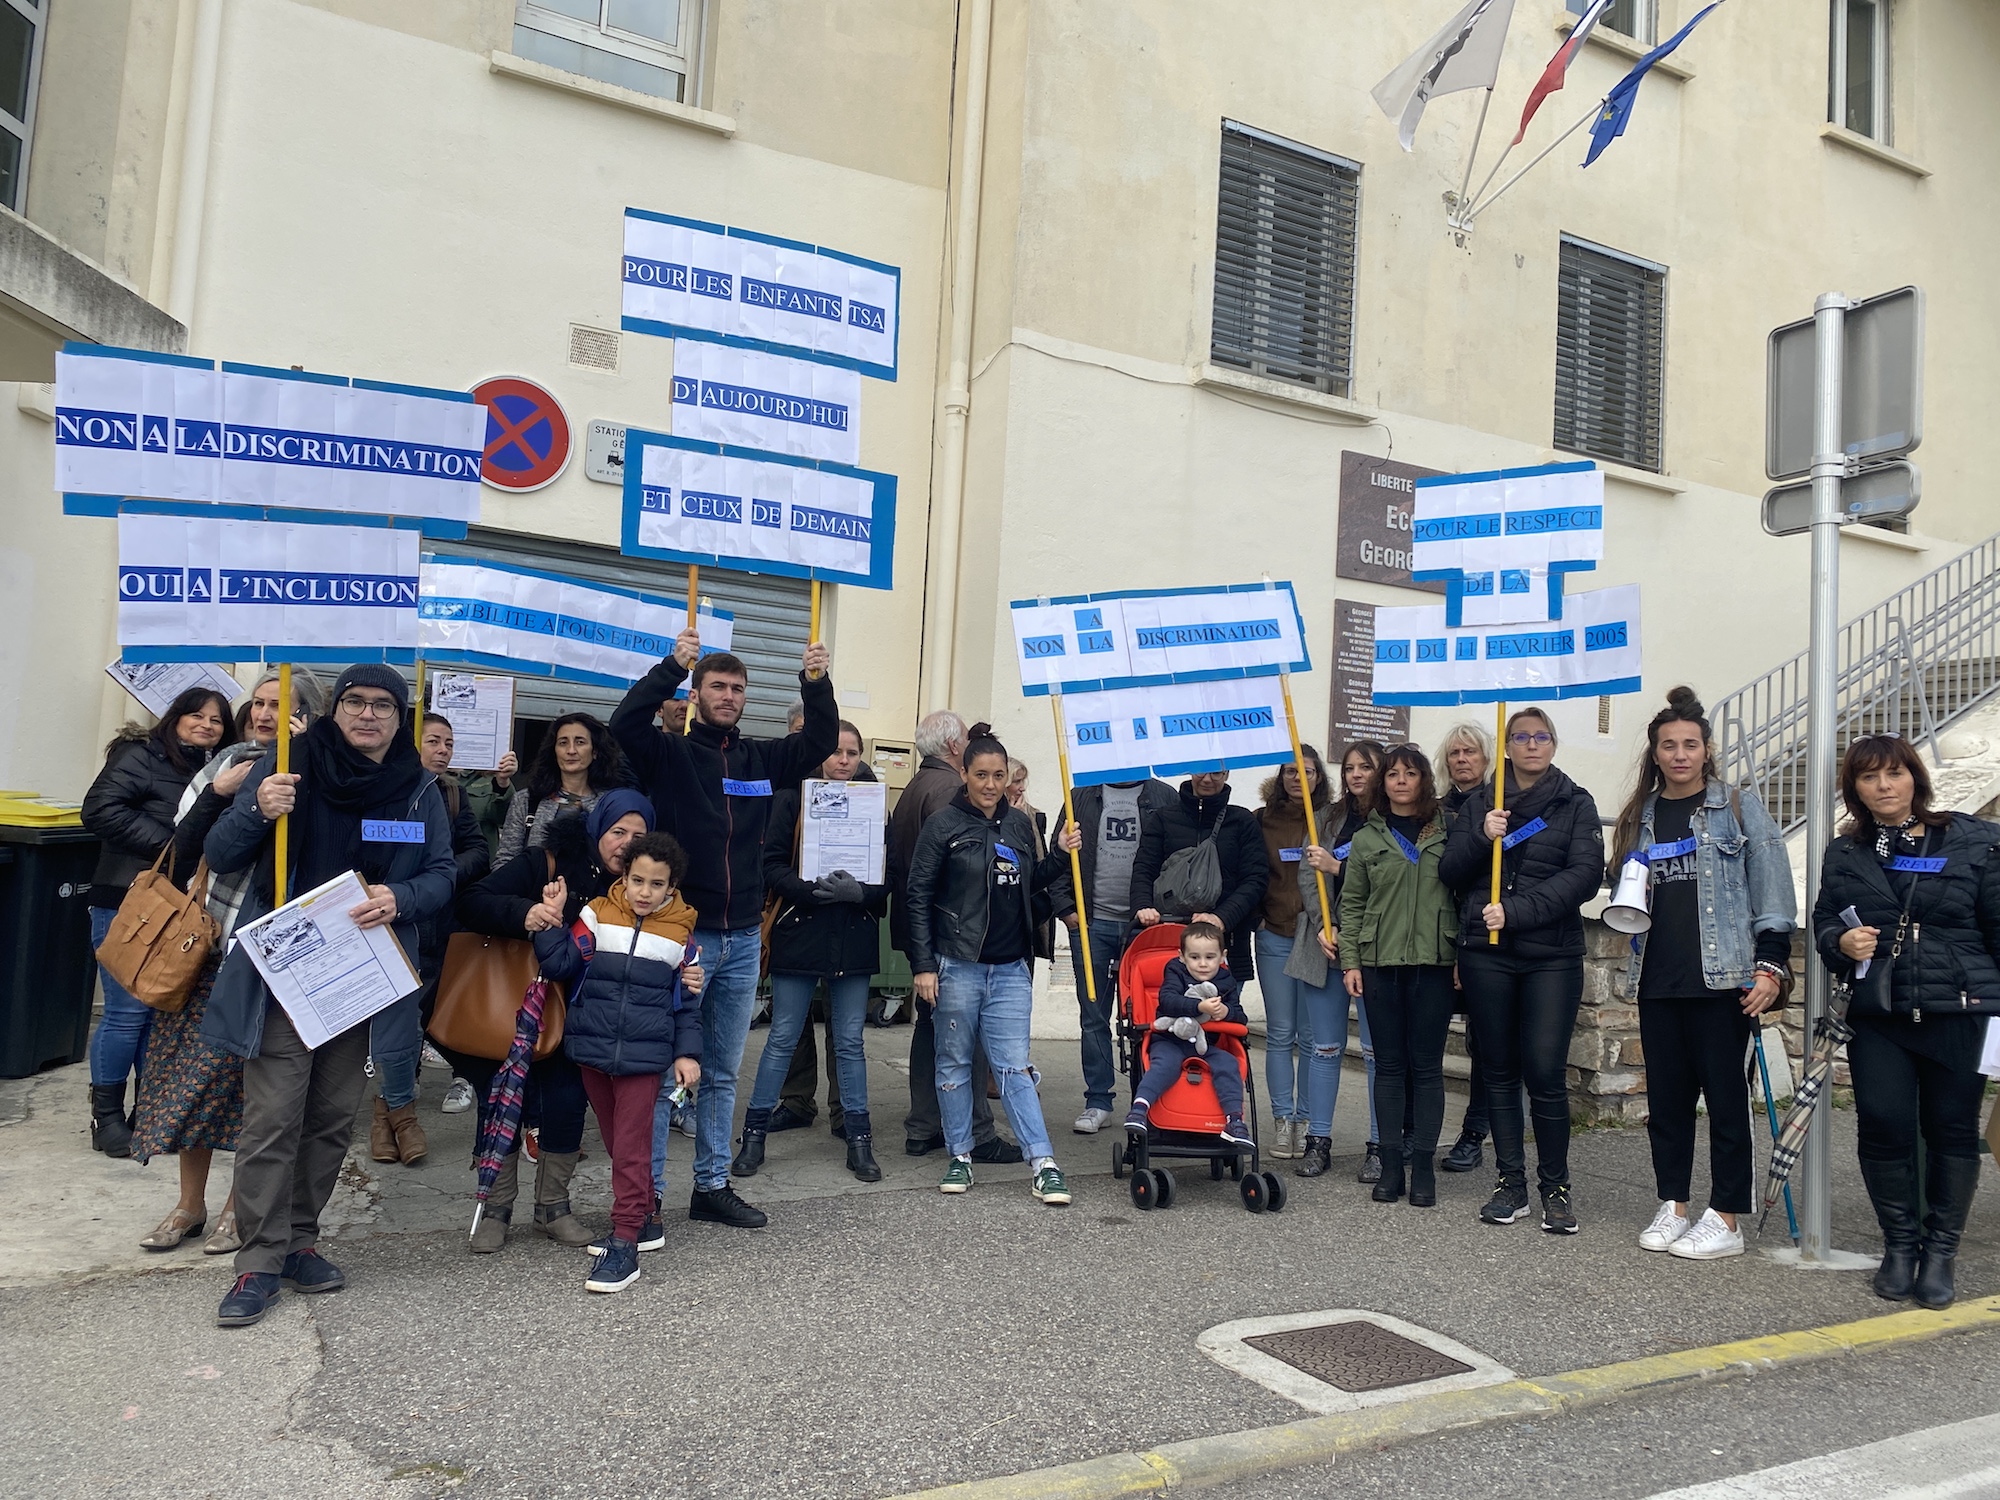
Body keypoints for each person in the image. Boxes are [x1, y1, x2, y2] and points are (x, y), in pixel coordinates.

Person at [202, 666, 457, 1328]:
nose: (367, 715)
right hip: (287, 972)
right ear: (334, 709)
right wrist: (259, 810)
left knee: (329, 1117)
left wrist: (400, 897)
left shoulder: (416, 788)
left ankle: (299, 1242)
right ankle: (257, 1262)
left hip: (358, 977)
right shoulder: (287, 767)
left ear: (401, 720)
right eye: (354, 702)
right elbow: (221, 852)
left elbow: (441, 874)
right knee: (273, 1118)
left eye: (382, 706)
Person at [611, 626, 837, 1231]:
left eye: (738, 688)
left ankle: (711, 1185)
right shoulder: (671, 753)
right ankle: (647, 1197)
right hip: (687, 938)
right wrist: (669, 668)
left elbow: (819, 737)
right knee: (665, 1073)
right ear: (699, 691)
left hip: (741, 939)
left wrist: (815, 683)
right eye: (718, 685)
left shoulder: (761, 757)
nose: (729, 696)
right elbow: (624, 723)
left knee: (720, 1071)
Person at [129, 668, 325, 1254]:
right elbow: (183, 849)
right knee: (186, 1082)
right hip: (205, 945)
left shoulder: (318, 770)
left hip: (272, 953)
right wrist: (220, 795)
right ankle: (190, 1204)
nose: (265, 714)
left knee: (251, 1091)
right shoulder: (223, 765)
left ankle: (244, 1207)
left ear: (308, 716)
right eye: (259, 703)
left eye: (281, 705)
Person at [1609, 688, 1795, 1263]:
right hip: (1658, 978)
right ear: (1655, 753)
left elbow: (1773, 890)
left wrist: (1771, 965)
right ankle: (1674, 1204)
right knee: (1666, 1102)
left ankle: (1727, 1215)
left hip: (1725, 979)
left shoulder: (1735, 807)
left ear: (1706, 750)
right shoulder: (1642, 816)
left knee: (1725, 1100)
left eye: (1690, 744)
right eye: (1669, 745)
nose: (1680, 754)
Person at [1814, 735, 1999, 1309]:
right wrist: (1840, 941)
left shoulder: (1973, 839)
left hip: (1959, 1011)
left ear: (1914, 778)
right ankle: (1900, 1245)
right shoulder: (1846, 854)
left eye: (1894, 773)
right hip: (1881, 1013)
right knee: (1884, 1126)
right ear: (1856, 790)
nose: (1884, 786)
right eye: (1870, 778)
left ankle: (1941, 1251)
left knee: (1951, 1131)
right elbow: (1823, 921)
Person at [452, 790, 657, 1253]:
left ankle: (553, 1208)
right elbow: (471, 901)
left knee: (567, 1102)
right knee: (501, 1099)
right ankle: (496, 1208)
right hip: (517, 1005)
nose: (625, 843)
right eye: (617, 831)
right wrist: (527, 914)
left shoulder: (641, 886)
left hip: (586, 1015)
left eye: (637, 835)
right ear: (596, 829)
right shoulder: (544, 862)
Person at [1439, 707, 1605, 1236]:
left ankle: (1555, 1188)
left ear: (1553, 744)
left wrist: (1517, 912)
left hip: (1550, 954)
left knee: (1545, 1072)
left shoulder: (1575, 802)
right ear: (1507, 745)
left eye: (1542, 736)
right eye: (1521, 736)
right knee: (1500, 1069)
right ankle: (1510, 1183)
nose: (1532, 744)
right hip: (1486, 954)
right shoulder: (1483, 802)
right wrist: (1480, 837)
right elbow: (1450, 871)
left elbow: (1583, 875)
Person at [904, 725, 1082, 1204]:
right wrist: (923, 965)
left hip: (1009, 968)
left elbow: (1029, 885)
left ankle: (1043, 1162)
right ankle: (960, 1156)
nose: (989, 783)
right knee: (954, 1064)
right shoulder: (943, 824)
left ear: (1008, 779)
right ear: (964, 773)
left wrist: (1061, 857)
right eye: (980, 774)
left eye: (998, 775)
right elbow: (917, 895)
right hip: (956, 964)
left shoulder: (1021, 825)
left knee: (1013, 1068)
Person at [535, 831, 705, 1294]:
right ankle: (647, 1217)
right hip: (591, 1051)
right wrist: (550, 922)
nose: (645, 892)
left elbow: (686, 1004)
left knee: (630, 1149)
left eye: (657, 884)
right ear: (624, 877)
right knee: (616, 1143)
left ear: (672, 887)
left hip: (645, 1058)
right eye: (637, 880)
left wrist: (687, 1054)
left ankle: (625, 1240)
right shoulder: (595, 913)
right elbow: (561, 965)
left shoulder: (681, 935)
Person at [80, 685, 238, 1157]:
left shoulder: (214, 769)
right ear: (175, 716)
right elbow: (100, 809)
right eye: (197, 715)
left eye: (215, 719)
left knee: (158, 1010)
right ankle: (105, 1116)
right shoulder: (141, 753)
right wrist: (169, 850)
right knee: (127, 1014)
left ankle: (144, 1113)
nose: (206, 724)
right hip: (130, 901)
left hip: (182, 909)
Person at [735, 721, 889, 1183]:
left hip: (853, 934)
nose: (843, 760)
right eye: (835, 750)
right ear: (821, 754)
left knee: (850, 1042)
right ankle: (754, 1135)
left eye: (852, 752)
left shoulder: (877, 806)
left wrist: (859, 894)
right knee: (782, 1037)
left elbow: (890, 876)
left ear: (861, 756)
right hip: (799, 930)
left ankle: (859, 1141)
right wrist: (808, 890)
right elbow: (769, 866)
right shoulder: (791, 798)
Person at [889, 709, 1016, 1162]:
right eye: (966, 742)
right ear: (953, 749)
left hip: (923, 930)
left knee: (933, 1027)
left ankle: (924, 1125)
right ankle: (973, 1132)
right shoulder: (948, 793)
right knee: (963, 1033)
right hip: (953, 936)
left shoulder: (915, 787)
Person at [366, 713, 491, 1159]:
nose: (443, 750)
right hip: (379, 918)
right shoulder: (382, 786)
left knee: (421, 1011)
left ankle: (394, 1110)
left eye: (449, 743)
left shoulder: (452, 794)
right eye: (433, 741)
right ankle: (394, 1111)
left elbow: (477, 850)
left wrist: (441, 874)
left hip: (437, 920)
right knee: (390, 1019)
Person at [1337, 745, 1458, 1207]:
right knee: (1388, 1068)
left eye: (1410, 773)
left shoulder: (1446, 832)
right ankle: (1390, 1166)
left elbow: (1463, 896)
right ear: (1382, 783)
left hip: (1434, 962)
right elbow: (1351, 904)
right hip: (1379, 962)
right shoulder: (1369, 837)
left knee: (1426, 1069)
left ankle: (1422, 1167)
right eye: (1392, 774)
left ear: (1424, 779)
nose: (1401, 781)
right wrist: (1351, 961)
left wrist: (1462, 959)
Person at [1051, 773, 1175, 1134]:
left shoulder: (1163, 796)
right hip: (1093, 926)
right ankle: (1099, 1101)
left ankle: (1149, 1099)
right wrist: (1069, 913)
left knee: (1150, 1019)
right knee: (1093, 1017)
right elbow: (1059, 856)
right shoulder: (1080, 796)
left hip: (1146, 928)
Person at [1289, 741, 1386, 1180]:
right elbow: (1307, 874)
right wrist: (1323, 924)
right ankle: (1318, 1141)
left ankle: (1380, 1145)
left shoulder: (1394, 819)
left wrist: (1337, 869)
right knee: (1324, 1048)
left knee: (1374, 1051)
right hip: (1324, 943)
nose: (1356, 774)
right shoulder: (1326, 817)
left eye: (1365, 766)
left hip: (1375, 948)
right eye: (1349, 767)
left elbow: (1391, 879)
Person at [1252, 749, 1332, 1159]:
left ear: (1319, 777)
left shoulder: (1331, 818)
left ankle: (1307, 1122)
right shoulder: (1262, 818)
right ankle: (1283, 1121)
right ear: (1281, 776)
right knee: (1281, 1034)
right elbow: (1249, 872)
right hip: (1276, 934)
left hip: (1317, 936)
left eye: (1308, 771)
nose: (1299, 778)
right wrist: (1257, 918)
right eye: (1290, 771)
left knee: (1314, 1035)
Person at [1130, 768, 1268, 981]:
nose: (1207, 779)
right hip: (1168, 937)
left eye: (1216, 773)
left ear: (1227, 774)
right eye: (1200, 772)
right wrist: (1143, 906)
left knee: (1222, 1011)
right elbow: (1144, 868)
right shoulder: (1163, 818)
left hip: (1226, 940)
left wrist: (1222, 917)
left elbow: (1255, 879)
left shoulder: (1242, 821)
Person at [1122, 922, 1251, 1144]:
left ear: (1222, 956)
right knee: (1165, 1065)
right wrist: (1198, 1007)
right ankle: (1140, 1108)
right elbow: (1168, 1000)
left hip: (1207, 1046)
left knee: (1228, 1064)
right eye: (1194, 957)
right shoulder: (1175, 971)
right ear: (1182, 956)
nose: (1202, 964)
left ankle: (1234, 1120)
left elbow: (1241, 1016)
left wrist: (1226, 1012)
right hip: (1169, 1040)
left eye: (1210, 957)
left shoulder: (1226, 981)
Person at [1435, 722, 1496, 1173]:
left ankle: (1475, 1133)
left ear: (1485, 757)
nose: (1462, 759)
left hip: (1483, 937)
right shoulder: (1435, 811)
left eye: (1470, 751)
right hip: (1439, 937)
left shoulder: (1502, 806)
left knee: (1485, 1041)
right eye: (1455, 752)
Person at [494, 712, 628, 865]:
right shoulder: (526, 800)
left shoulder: (612, 804)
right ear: (554, 751)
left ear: (595, 751)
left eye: (580, 742)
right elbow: (505, 859)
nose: (571, 750)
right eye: (563, 743)